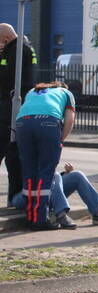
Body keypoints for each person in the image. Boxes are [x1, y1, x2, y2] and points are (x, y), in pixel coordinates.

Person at [16, 81, 75, 230]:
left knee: (28, 172)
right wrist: (61, 139)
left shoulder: (33, 90)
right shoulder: (66, 93)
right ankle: (41, 219)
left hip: (23, 124)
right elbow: (69, 119)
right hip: (48, 123)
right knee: (45, 173)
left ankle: (30, 217)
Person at [11, 163, 98, 228]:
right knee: (54, 175)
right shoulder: (23, 144)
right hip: (23, 195)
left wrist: (65, 173)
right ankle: (61, 214)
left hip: (47, 188)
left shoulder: (47, 142)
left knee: (77, 175)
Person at [0, 23, 37, 207]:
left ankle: (15, 200)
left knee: (12, 155)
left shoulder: (16, 50)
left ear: (5, 38)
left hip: (11, 108)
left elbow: (8, 77)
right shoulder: (22, 48)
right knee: (14, 156)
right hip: (16, 107)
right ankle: (14, 200)